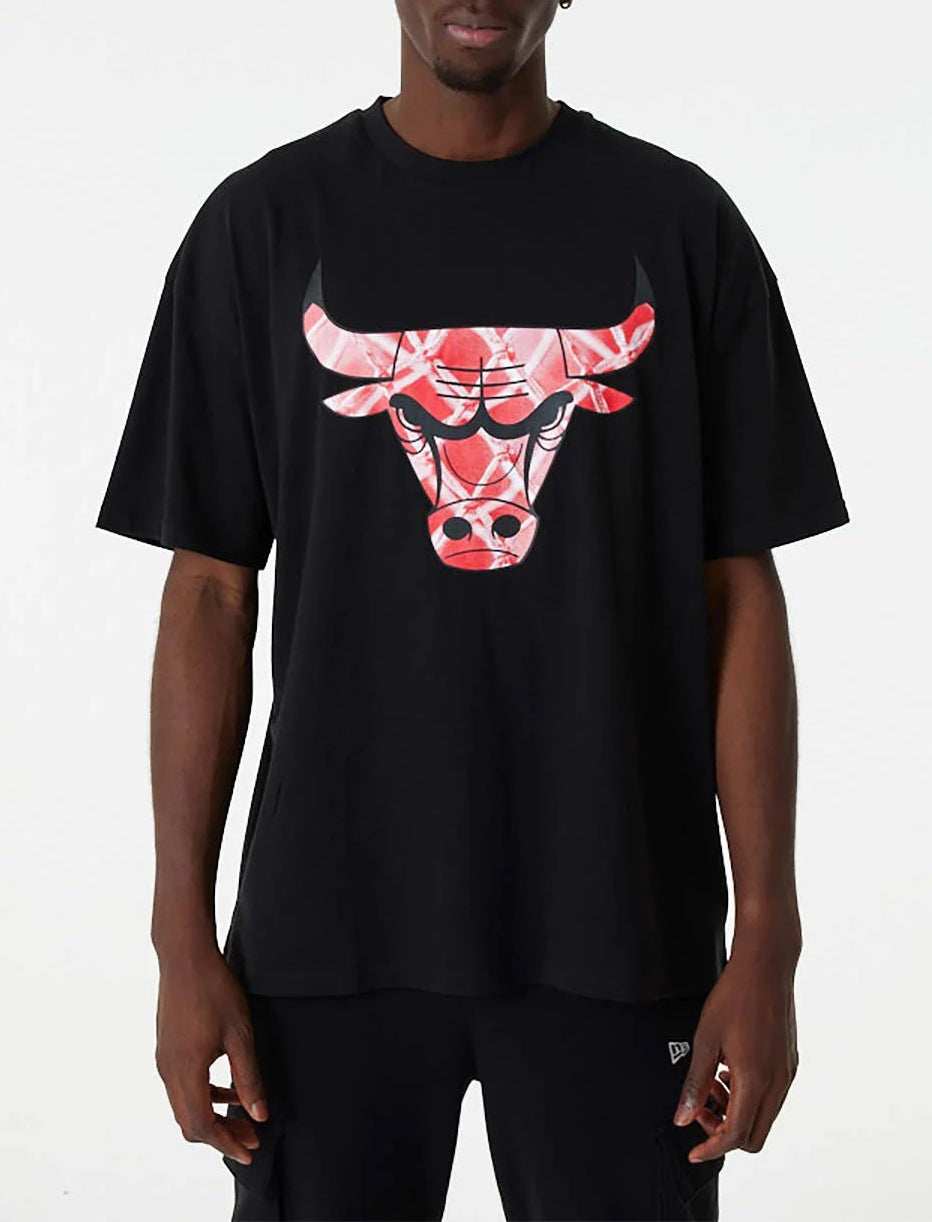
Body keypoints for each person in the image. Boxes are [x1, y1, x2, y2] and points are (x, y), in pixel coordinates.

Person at [95, 1, 849, 1218]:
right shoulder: (262, 226)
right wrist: (179, 934)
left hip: (621, 918)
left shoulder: (679, 225)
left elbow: (736, 593)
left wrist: (768, 933)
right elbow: (209, 589)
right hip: (326, 926)